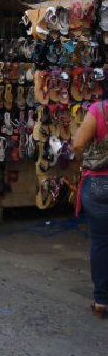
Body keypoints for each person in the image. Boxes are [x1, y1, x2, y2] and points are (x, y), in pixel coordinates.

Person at [73, 99, 108, 320]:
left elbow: (78, 144)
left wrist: (87, 160)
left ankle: (101, 301)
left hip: (99, 183)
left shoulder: (99, 109)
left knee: (101, 242)